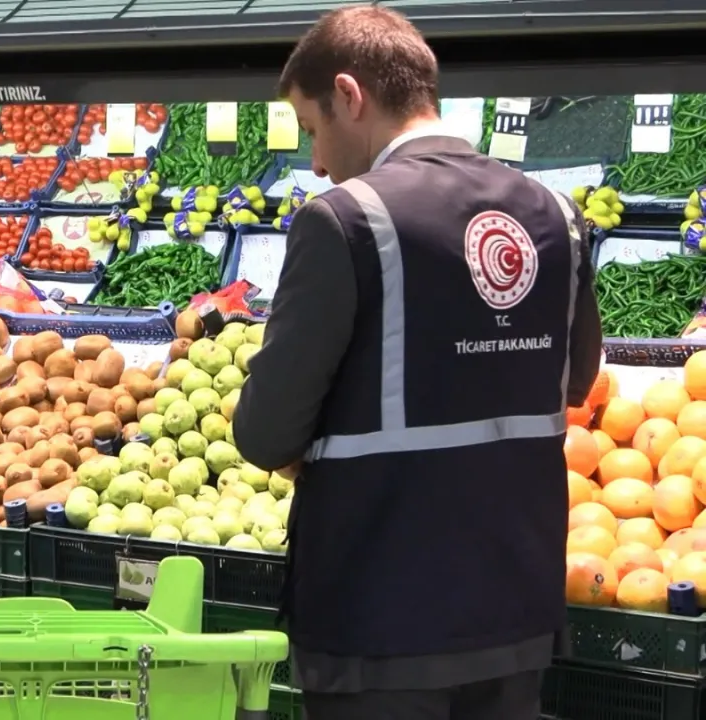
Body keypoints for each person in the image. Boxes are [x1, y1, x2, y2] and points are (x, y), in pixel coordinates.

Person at [233, 6, 601, 719]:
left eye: (314, 130)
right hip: (515, 610)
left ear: (349, 94)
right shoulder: (555, 212)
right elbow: (576, 379)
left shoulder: (344, 219)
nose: (315, 161)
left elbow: (265, 433)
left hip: (382, 620)